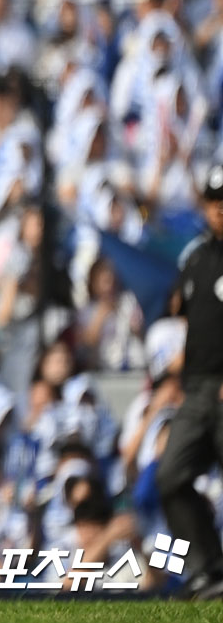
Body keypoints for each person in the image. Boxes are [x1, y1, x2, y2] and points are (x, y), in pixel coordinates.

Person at [156, 162, 223, 598]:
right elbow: (179, 307)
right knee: (171, 477)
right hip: (197, 388)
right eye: (215, 201)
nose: (221, 210)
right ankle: (208, 569)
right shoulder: (196, 256)